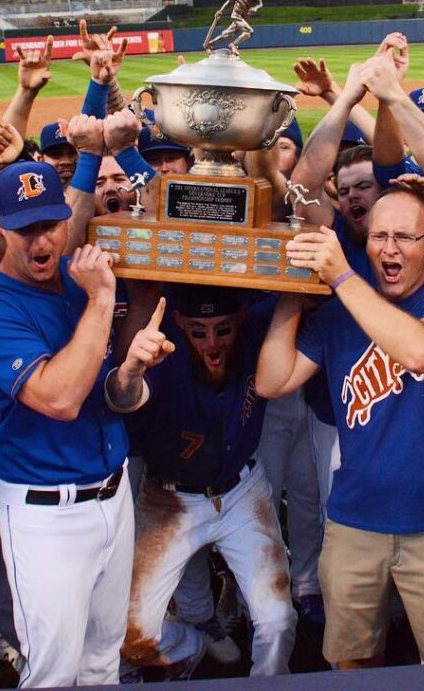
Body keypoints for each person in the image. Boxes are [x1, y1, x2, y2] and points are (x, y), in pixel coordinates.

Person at [257, 184, 424, 667]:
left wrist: (340, 277)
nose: (389, 248)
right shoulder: (340, 314)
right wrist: (292, 293)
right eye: (379, 236)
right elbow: (272, 381)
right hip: (353, 522)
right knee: (351, 661)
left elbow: (421, 351)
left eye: (404, 237)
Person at [0, 162, 155, 687]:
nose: (41, 239)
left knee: (102, 661)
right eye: (25, 228)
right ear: (0, 226)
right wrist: (101, 297)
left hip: (113, 497)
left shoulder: (72, 280)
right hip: (46, 514)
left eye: (50, 224)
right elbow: (61, 397)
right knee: (53, 672)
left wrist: (135, 310)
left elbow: (107, 378)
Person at [117, 285, 297, 678]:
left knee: (278, 619)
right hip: (169, 498)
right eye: (198, 331)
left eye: (222, 329)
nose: (212, 343)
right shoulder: (163, 351)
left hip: (241, 490)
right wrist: (129, 370)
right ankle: (195, 637)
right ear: (180, 323)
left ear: (241, 320)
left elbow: (297, 293)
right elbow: (124, 398)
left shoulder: (254, 330)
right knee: (131, 635)